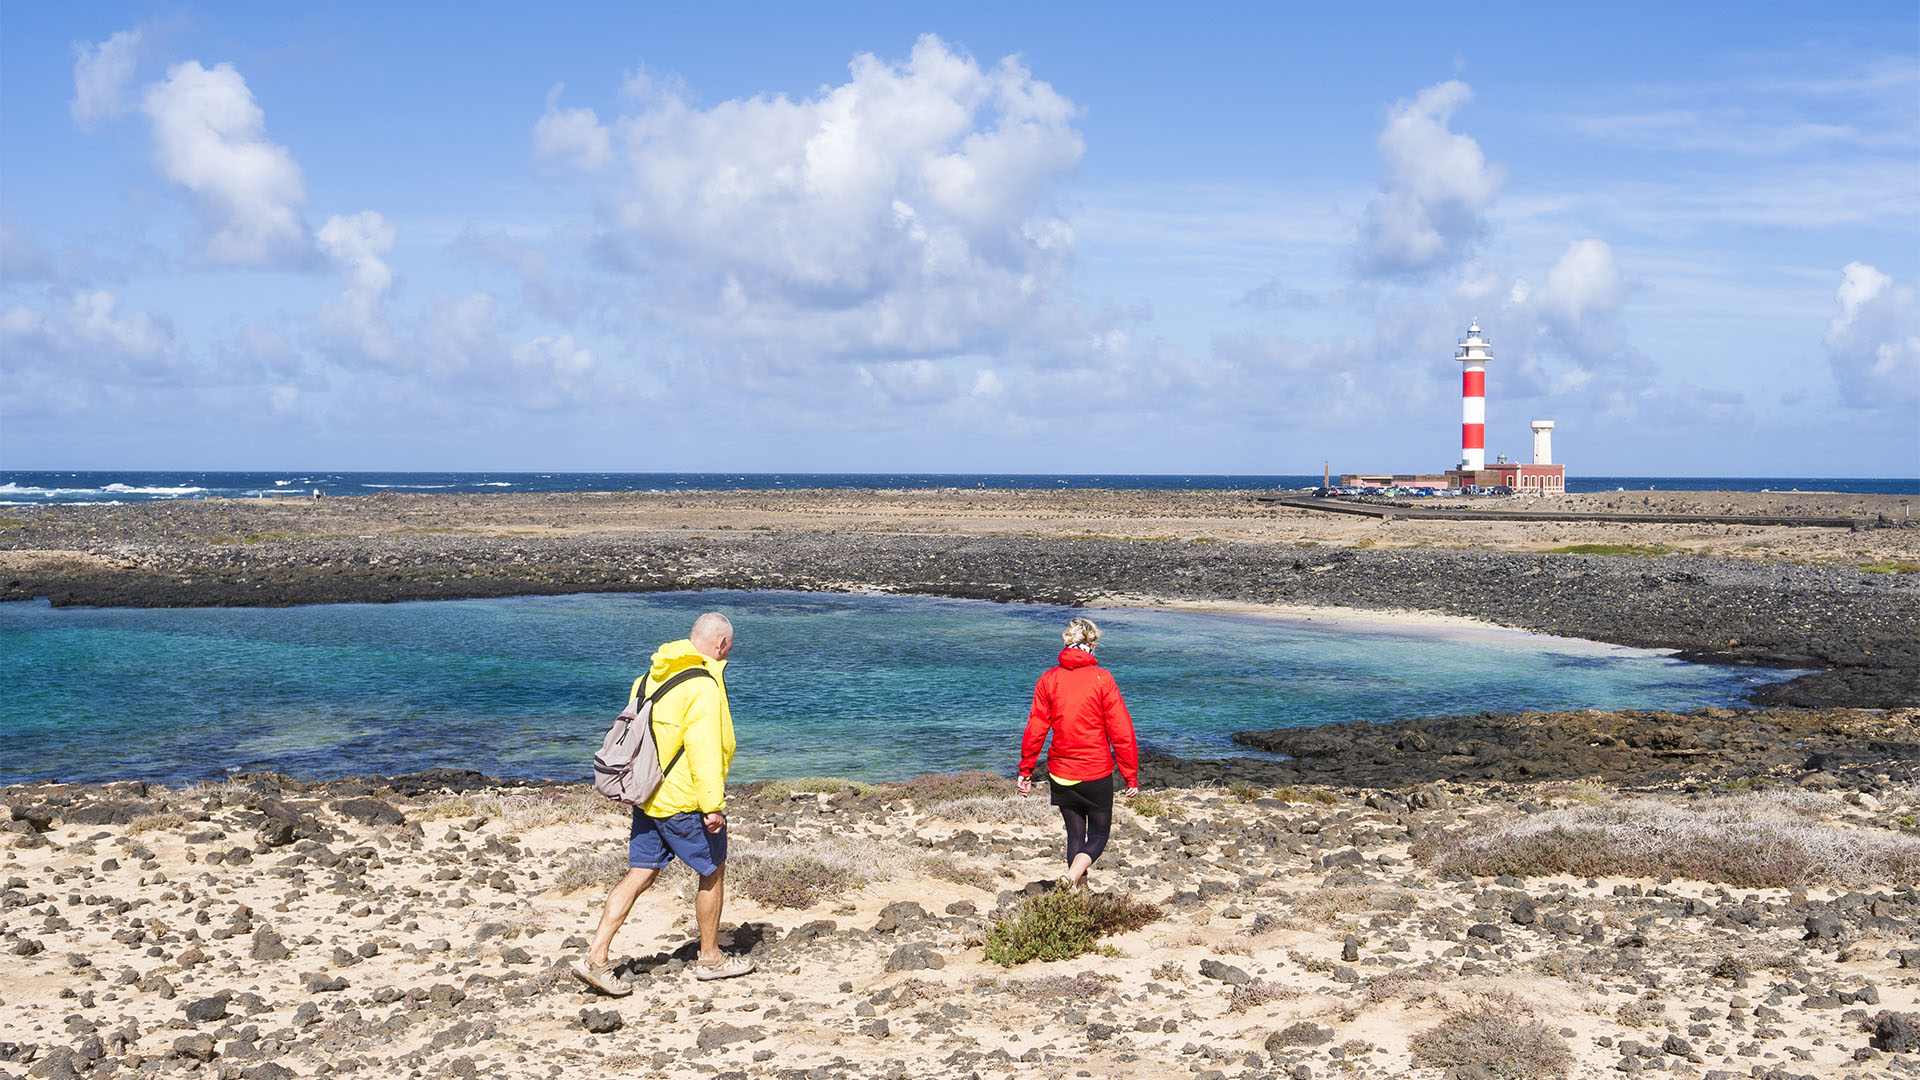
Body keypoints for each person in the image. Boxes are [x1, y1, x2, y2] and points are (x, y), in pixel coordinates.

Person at [571, 612, 754, 994]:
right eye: (729, 650)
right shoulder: (702, 687)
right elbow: (705, 750)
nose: (727, 656)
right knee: (713, 871)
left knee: (639, 873)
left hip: (647, 795)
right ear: (721, 645)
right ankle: (710, 958)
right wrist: (712, 805)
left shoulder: (650, 676)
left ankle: (596, 957)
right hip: (682, 800)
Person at [1017, 617, 1139, 892]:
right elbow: (1121, 731)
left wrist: (1025, 770)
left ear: (1066, 643)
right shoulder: (1102, 679)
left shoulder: (1048, 679)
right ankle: (1072, 880)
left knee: (1075, 834)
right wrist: (1130, 775)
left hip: (1061, 772)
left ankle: (1077, 894)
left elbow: (1035, 728)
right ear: (1092, 644)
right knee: (1097, 835)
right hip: (1096, 771)